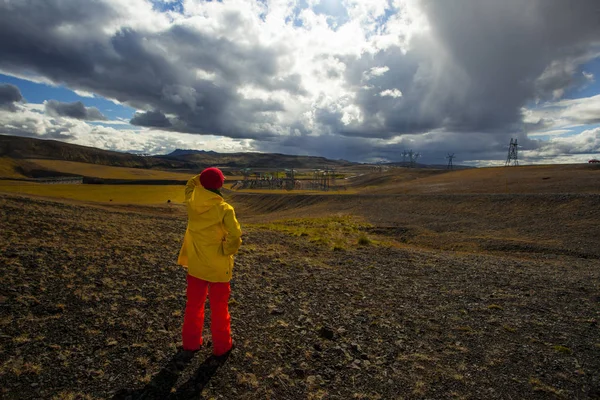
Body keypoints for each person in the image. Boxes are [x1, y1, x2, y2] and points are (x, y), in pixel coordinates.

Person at [178, 167, 242, 356]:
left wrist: (204, 178)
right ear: (220, 185)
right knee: (220, 308)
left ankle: (191, 344)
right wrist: (227, 249)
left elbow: (190, 184)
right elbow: (236, 234)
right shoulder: (224, 209)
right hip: (219, 269)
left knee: (193, 306)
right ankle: (222, 346)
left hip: (196, 267)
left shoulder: (191, 201)